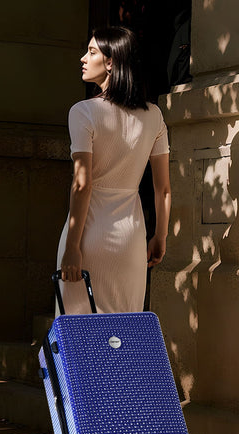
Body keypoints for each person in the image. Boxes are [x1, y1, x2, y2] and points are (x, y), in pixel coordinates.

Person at [57, 26, 171, 315]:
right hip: (131, 240)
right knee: (122, 340)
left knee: (78, 338)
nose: (83, 58)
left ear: (111, 62)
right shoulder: (154, 116)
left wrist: (72, 247)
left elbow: (82, 185)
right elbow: (163, 189)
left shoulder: (82, 112)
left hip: (89, 236)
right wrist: (160, 236)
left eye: (92, 52)